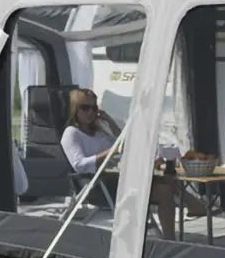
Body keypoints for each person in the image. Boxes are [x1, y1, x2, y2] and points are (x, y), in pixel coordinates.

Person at [60, 88, 178, 238]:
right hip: (98, 186)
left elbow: (124, 146)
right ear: (75, 109)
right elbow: (80, 165)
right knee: (164, 190)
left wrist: (110, 121)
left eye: (94, 108)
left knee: (167, 182)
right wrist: (110, 152)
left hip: (117, 181)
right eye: (85, 108)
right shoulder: (71, 133)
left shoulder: (100, 132)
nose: (90, 112)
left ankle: (176, 230)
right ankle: (172, 236)